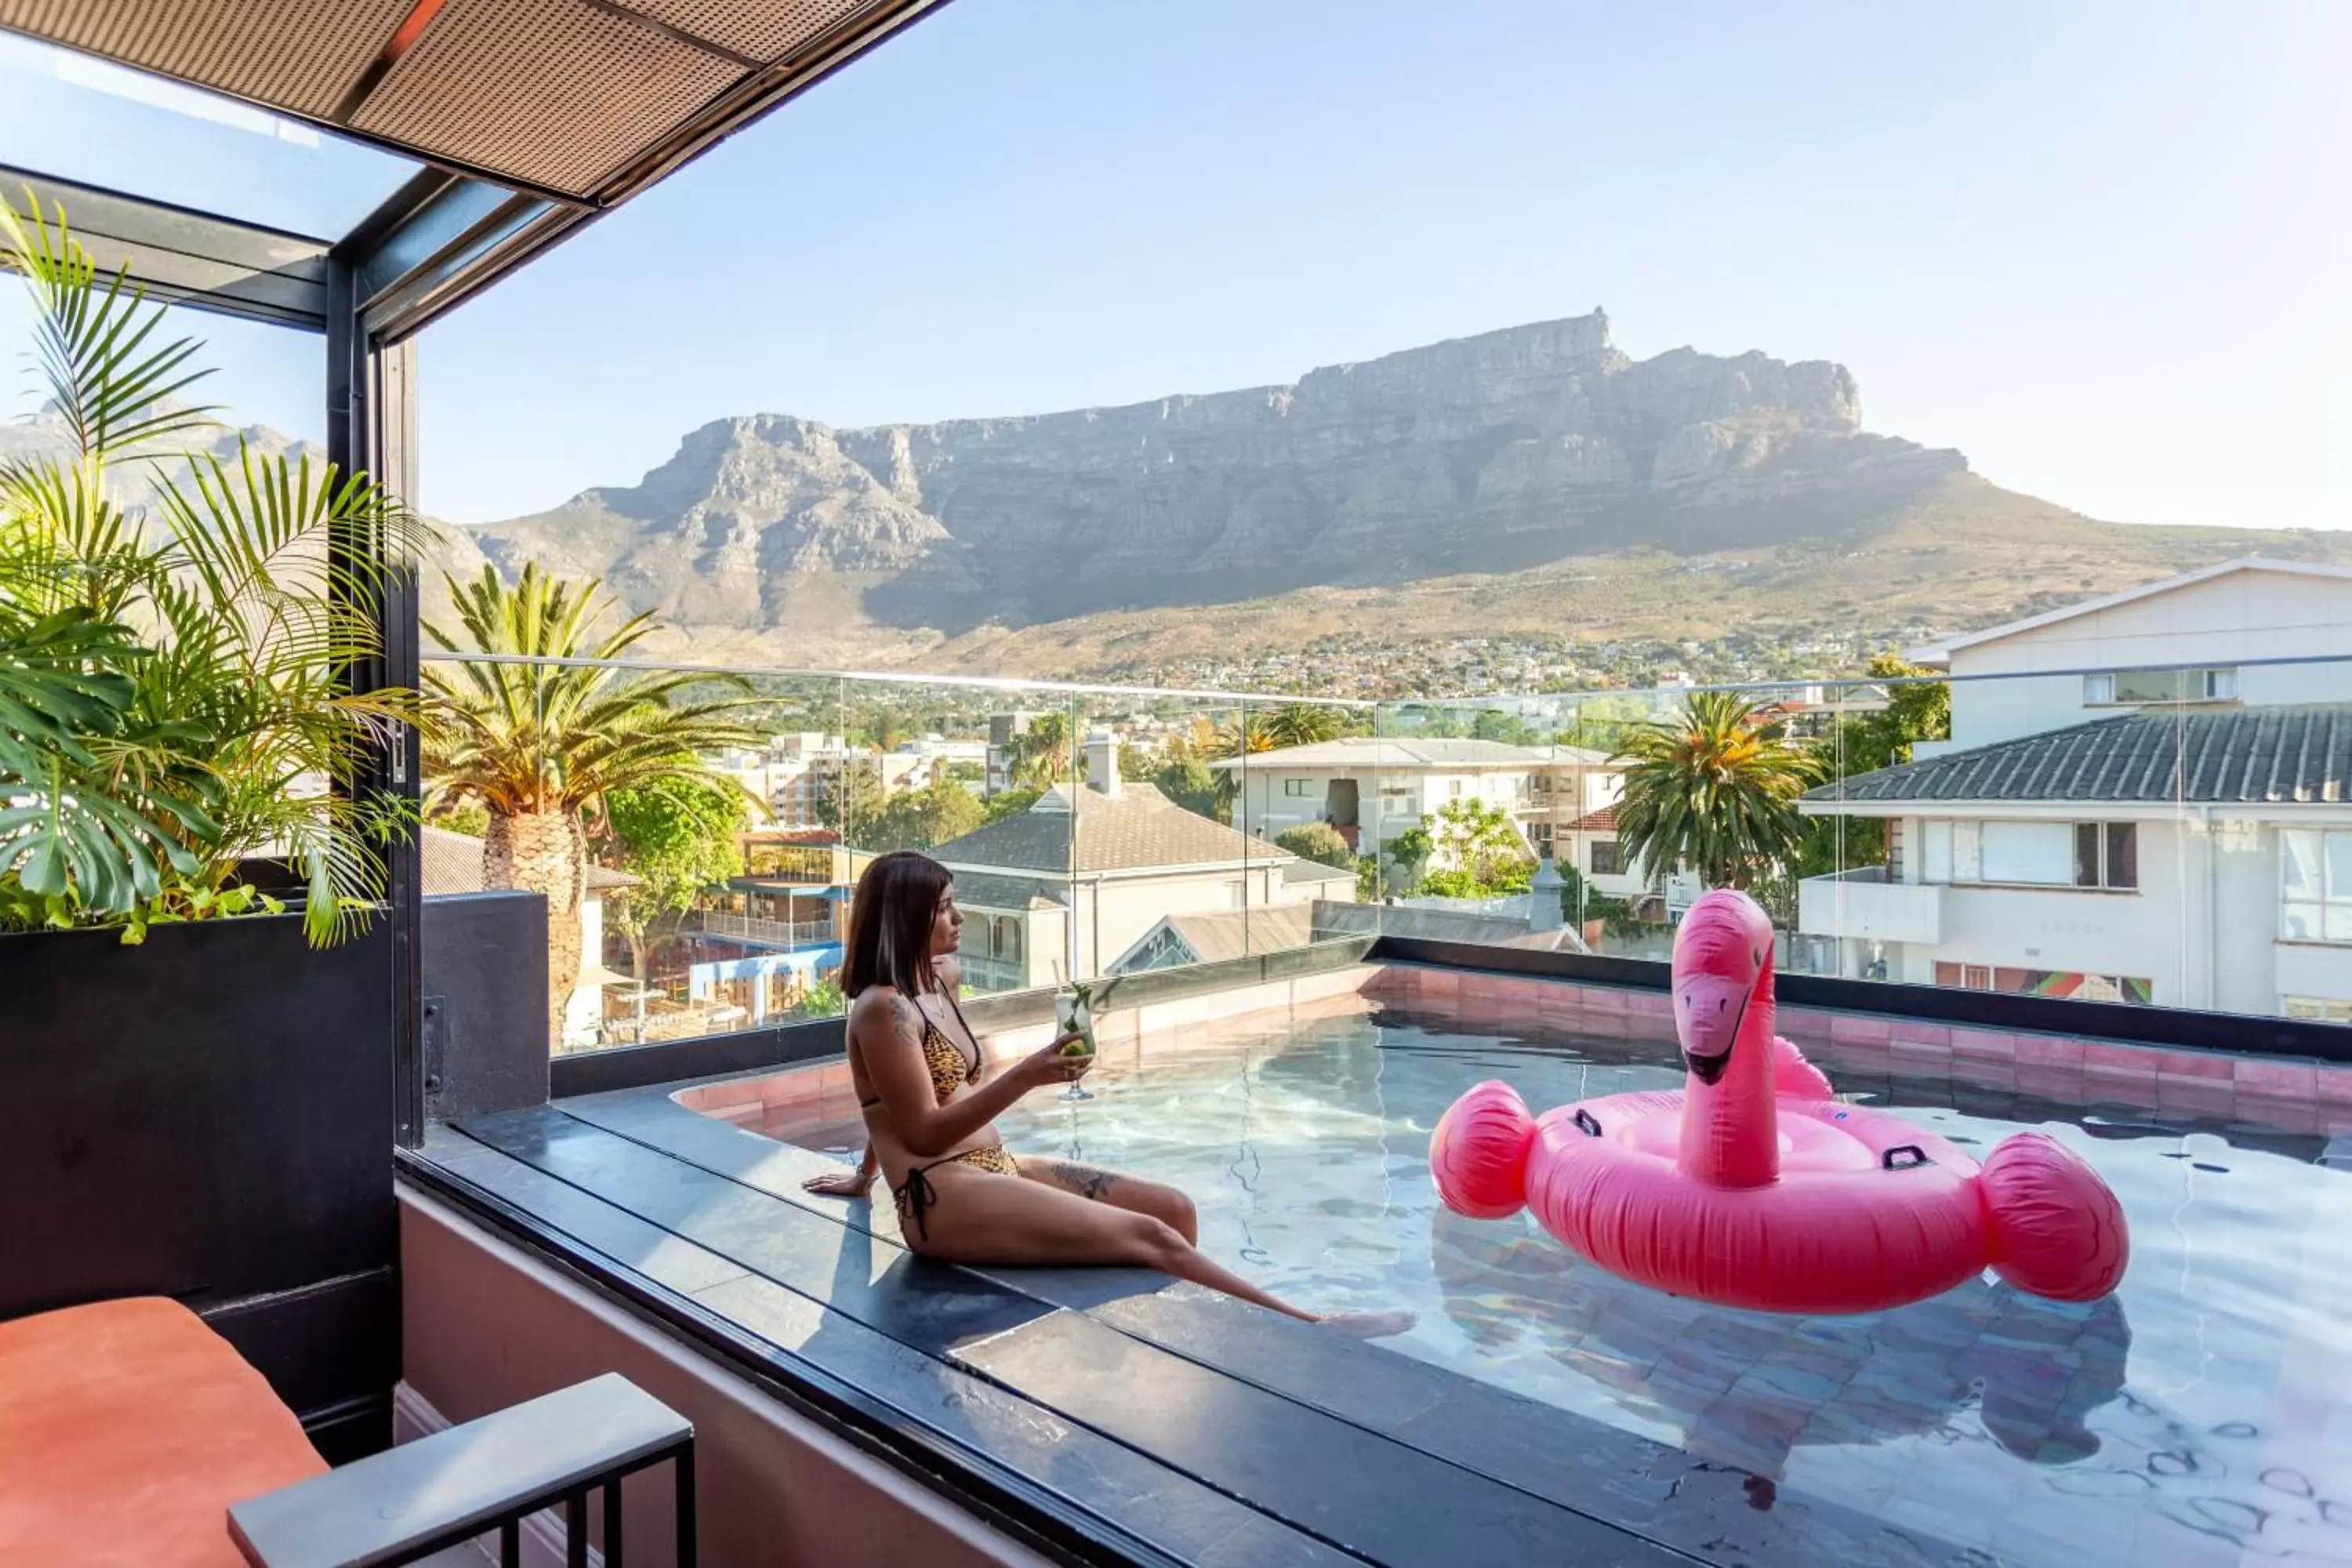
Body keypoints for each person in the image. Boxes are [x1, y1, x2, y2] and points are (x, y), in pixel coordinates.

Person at [803, 850, 1410, 1338]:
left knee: (1173, 1209)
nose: (958, 919)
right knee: (1153, 1239)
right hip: (941, 1199)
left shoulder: (939, 981)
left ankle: (1181, 1336)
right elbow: (919, 1130)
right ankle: (1309, 1328)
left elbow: (892, 1099)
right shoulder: (882, 1010)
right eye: (944, 907)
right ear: (907, 918)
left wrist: (863, 1175)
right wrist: (1029, 1074)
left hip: (994, 1167)